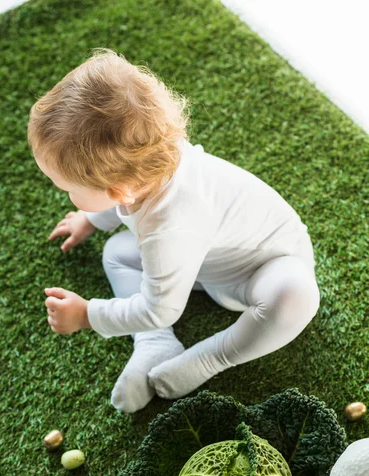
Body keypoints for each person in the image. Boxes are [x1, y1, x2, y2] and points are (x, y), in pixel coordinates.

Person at [27, 47, 320, 414]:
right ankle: (154, 345)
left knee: (295, 296)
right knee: (116, 251)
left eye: (68, 188)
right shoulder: (152, 157)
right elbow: (121, 203)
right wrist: (91, 218)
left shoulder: (169, 227)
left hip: (262, 268)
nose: (65, 194)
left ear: (120, 190)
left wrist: (89, 315)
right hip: (203, 261)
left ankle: (211, 357)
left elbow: (159, 309)